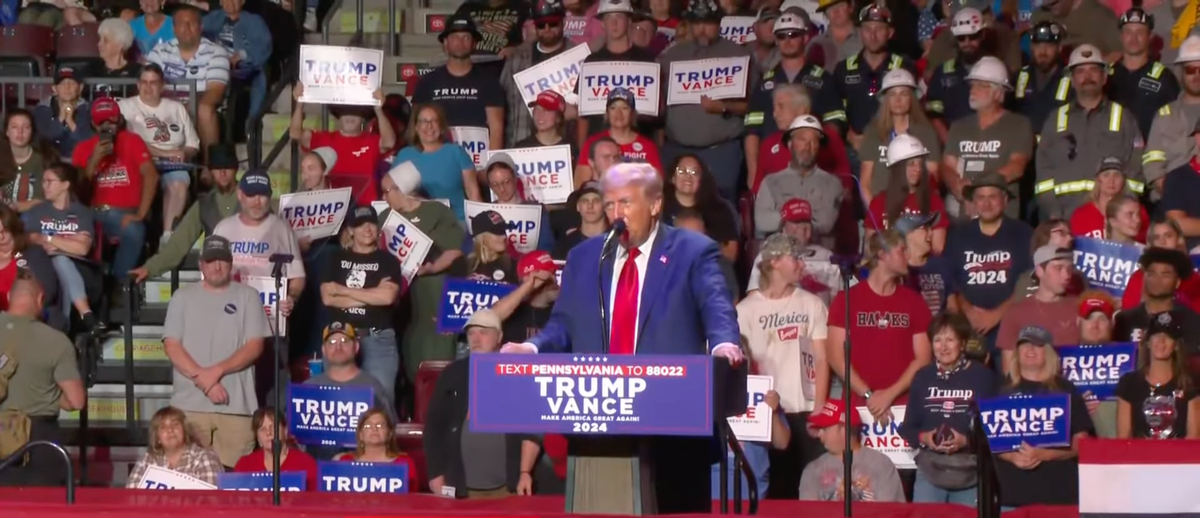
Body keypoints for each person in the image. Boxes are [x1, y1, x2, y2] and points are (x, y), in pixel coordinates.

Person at [500, 162, 743, 513]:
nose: (616, 214)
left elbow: (716, 307)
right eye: (610, 204)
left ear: (656, 204)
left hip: (672, 425)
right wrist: (532, 346)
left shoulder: (692, 251)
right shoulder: (586, 257)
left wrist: (723, 343)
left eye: (626, 203)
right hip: (600, 422)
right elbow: (564, 323)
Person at [162, 235, 270, 468]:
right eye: (210, 261)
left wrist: (216, 371)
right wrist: (207, 383)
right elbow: (172, 345)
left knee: (233, 482)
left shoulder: (248, 296)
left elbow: (255, 346)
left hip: (237, 406)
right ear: (201, 264)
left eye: (221, 260)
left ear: (231, 264)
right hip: (189, 406)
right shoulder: (182, 297)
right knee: (186, 477)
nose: (216, 266)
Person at [737, 232, 829, 498]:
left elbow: (822, 358)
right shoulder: (745, 311)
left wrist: (820, 407)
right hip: (767, 414)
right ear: (775, 262)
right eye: (795, 258)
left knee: (810, 492)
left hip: (805, 410)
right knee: (777, 493)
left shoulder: (811, 304)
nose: (802, 264)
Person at [425, 310, 542, 499]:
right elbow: (434, 427)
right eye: (471, 333)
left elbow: (533, 428)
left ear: (500, 336)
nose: (476, 339)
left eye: (484, 332)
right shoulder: (452, 374)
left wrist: (524, 472)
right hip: (461, 486)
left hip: (508, 487)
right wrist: (435, 473)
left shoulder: (518, 373)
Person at [827, 228, 933, 420]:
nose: (909, 255)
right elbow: (835, 356)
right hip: (859, 406)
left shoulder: (915, 302)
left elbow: (923, 358)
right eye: (902, 250)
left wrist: (889, 395)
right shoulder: (847, 299)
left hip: (904, 406)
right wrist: (869, 395)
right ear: (882, 254)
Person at [655, 0, 753, 202]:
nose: (702, 30)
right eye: (697, 23)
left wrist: (725, 107)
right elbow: (659, 106)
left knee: (721, 206)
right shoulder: (671, 57)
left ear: (719, 24)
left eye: (708, 23)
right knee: (674, 206)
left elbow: (756, 107)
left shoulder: (738, 55)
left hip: (721, 152)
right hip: (676, 149)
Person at [1035, 44, 1145, 220]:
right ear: (1071, 79)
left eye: (1094, 70)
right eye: (1080, 71)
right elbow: (1043, 172)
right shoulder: (1055, 119)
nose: (1087, 77)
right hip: (1064, 221)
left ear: (1104, 76)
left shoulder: (1124, 117)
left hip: (1110, 221)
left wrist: (1119, 211)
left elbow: (1136, 170)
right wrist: (1054, 214)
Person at [380, 162, 465, 382]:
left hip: (432, 295)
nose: (384, 198)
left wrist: (433, 268)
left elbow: (455, 249)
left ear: (402, 189)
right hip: (401, 300)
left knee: (437, 355)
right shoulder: (384, 218)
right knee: (408, 354)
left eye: (387, 192)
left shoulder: (436, 212)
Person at [993, 325, 1095, 508]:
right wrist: (1012, 457)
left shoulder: (1066, 390)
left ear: (1048, 352)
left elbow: (1082, 443)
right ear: (1017, 351)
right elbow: (989, 441)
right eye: (1024, 345)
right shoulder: (1000, 390)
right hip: (1012, 497)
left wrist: (1046, 454)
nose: (1030, 349)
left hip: (1059, 496)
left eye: (1037, 345)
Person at [901, 313, 994, 505]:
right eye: (937, 340)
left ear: (962, 343)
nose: (943, 347)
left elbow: (996, 431)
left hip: (970, 471)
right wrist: (925, 438)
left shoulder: (983, 377)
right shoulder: (922, 377)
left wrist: (967, 441)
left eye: (950, 339)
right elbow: (908, 428)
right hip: (930, 470)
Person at [0, 274, 83, 487]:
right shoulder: (56, 341)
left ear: (9, 296)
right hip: (38, 440)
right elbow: (76, 401)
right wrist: (51, 394)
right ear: (40, 299)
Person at [70, 96, 158, 294]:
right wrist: (93, 162)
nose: (107, 125)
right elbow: (76, 192)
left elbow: (151, 175)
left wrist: (141, 214)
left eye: (111, 119)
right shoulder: (83, 149)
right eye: (102, 121)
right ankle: (92, 287)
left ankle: (118, 286)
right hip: (91, 211)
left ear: (119, 120)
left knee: (135, 230)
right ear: (93, 123)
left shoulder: (132, 141)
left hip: (125, 212)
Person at [944, 172, 1033, 358]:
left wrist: (996, 315)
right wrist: (968, 312)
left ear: (1005, 200)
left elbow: (1029, 284)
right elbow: (951, 283)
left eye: (992, 197)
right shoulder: (958, 236)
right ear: (973, 202)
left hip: (1012, 329)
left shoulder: (1024, 234)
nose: (986, 203)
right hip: (969, 330)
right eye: (981, 198)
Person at [320, 207, 402, 397]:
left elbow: (387, 298)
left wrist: (342, 290)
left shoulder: (388, 261)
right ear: (350, 230)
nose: (366, 228)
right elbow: (327, 298)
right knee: (337, 399)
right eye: (359, 225)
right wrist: (373, 295)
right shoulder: (336, 258)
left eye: (371, 223)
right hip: (340, 338)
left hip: (379, 339)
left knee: (381, 398)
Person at [130, 144, 240, 282]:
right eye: (217, 168)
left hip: (249, 272)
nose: (222, 173)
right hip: (216, 276)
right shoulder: (204, 205)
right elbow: (178, 245)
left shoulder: (251, 198)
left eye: (227, 168)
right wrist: (149, 268)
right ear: (210, 171)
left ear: (235, 169)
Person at [941, 56, 1033, 219]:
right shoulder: (959, 126)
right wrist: (960, 190)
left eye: (981, 86)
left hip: (1004, 218)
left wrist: (974, 188)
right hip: (967, 218)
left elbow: (1016, 167)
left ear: (998, 93)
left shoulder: (1018, 124)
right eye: (972, 85)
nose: (973, 90)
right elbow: (948, 167)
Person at [119, 64, 200, 241]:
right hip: (139, 164)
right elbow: (128, 142)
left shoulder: (176, 108)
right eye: (144, 82)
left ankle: (167, 238)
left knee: (179, 182)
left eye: (154, 83)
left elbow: (193, 144)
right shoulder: (125, 107)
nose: (148, 87)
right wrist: (166, 153)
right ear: (138, 85)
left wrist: (183, 154)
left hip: (173, 165)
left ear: (162, 86)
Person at [22, 163, 98, 330]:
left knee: (60, 260)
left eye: (50, 181)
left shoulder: (81, 212)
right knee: (58, 262)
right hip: (44, 268)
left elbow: (82, 249)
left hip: (81, 270)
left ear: (65, 185)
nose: (44, 186)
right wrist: (68, 241)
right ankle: (85, 313)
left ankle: (63, 329)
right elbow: (30, 239)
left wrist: (48, 238)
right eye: (43, 181)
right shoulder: (37, 211)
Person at [291, 84, 394, 205]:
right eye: (344, 111)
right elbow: (295, 134)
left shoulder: (371, 141)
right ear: (338, 116)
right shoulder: (323, 139)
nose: (350, 116)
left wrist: (378, 110)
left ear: (363, 118)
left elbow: (389, 142)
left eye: (356, 112)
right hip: (331, 208)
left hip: (364, 209)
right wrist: (299, 104)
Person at [145, 5, 231, 151]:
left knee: (205, 109)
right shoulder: (159, 52)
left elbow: (215, 91)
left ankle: (209, 167)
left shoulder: (216, 52)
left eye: (191, 23)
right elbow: (148, 83)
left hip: (201, 104)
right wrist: (175, 105)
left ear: (201, 27)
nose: (186, 28)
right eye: (181, 24)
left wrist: (189, 105)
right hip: (164, 103)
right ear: (173, 29)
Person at [412, 14, 504, 148]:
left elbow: (496, 128)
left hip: (478, 163)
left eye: (466, 37)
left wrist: (491, 165)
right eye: (455, 37)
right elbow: (416, 126)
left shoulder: (489, 81)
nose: (460, 43)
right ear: (445, 42)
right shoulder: (427, 82)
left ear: (474, 43)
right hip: (438, 160)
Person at [755, 115, 844, 250]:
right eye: (802, 140)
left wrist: (789, 219)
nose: (807, 147)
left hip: (817, 253)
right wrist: (793, 219)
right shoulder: (770, 182)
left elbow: (826, 223)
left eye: (813, 142)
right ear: (790, 144)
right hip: (778, 254)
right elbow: (761, 221)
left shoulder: (832, 183)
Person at [500, 0, 581, 147]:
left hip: (566, 145)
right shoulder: (517, 58)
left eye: (553, 23)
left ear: (563, 22)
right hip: (521, 141)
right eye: (541, 25)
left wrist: (576, 112)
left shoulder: (580, 58)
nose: (547, 29)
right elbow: (501, 102)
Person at [858, 69, 941, 204]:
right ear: (885, 100)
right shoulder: (873, 132)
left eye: (904, 94)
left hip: (917, 209)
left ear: (912, 98)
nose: (898, 100)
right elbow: (865, 183)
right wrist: (876, 216)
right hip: (881, 209)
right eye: (892, 94)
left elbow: (933, 179)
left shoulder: (926, 133)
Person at [995, 245, 1082, 373]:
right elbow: (1009, 370)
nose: (1066, 276)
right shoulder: (1016, 313)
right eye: (1058, 268)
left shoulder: (1080, 308)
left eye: (1069, 269)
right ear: (1039, 271)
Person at [798, 399, 906, 502]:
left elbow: (889, 512)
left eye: (825, 428)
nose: (819, 434)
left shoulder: (880, 464)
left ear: (844, 428)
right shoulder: (812, 470)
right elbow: (808, 512)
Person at [1115, 312, 1200, 439]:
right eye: (1156, 335)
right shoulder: (1129, 383)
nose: (1161, 341)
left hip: (1179, 457)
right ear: (1148, 343)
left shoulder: (1189, 383)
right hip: (1138, 456)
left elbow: (1194, 438)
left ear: (1176, 346)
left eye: (1168, 336)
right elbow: (1123, 438)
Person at [389, 104, 479, 220]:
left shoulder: (456, 152)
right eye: (424, 121)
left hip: (455, 223)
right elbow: (392, 192)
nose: (429, 126)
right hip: (416, 224)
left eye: (434, 121)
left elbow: (473, 192)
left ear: (441, 126)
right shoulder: (404, 155)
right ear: (416, 127)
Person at [864, 134, 949, 253]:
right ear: (897, 168)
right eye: (911, 164)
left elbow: (938, 248)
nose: (918, 168)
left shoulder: (934, 201)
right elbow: (871, 249)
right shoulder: (879, 202)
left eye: (920, 163)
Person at [1106, 7, 1178, 139]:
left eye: (1140, 32)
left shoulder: (1165, 78)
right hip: (1111, 150)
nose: (1133, 38)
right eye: (1128, 32)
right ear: (1121, 36)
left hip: (1149, 153)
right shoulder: (1106, 76)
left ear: (1150, 36)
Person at [575, 88, 663, 188]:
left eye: (625, 108)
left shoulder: (647, 146)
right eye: (613, 108)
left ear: (632, 113)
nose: (618, 114)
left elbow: (657, 185)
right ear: (607, 113)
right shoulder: (593, 142)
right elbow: (580, 185)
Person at [202, 0, 273, 122]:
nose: (229, 2)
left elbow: (264, 46)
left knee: (259, 76)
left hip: (241, 67)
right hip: (213, 63)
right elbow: (195, 33)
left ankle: (251, 123)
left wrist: (242, 55)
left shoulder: (254, 21)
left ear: (243, 1)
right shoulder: (213, 18)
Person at [1112, 247, 1200, 344]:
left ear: (1177, 282)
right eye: (1152, 274)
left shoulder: (1191, 321)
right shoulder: (1124, 320)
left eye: (1165, 275)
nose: (1157, 280)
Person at [661, 155, 738, 261]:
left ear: (701, 179)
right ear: (672, 177)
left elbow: (730, 253)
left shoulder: (719, 210)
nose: (688, 176)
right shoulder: (659, 206)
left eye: (694, 172)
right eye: (682, 171)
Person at [126, 407, 224, 488]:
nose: (170, 430)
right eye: (163, 427)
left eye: (175, 424)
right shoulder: (147, 460)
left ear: (185, 431)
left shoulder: (204, 458)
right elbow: (132, 496)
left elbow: (211, 501)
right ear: (157, 438)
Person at [232, 407, 319, 491]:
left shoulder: (306, 463)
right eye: (262, 429)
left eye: (273, 427)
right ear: (258, 437)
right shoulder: (244, 465)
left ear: (285, 431)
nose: (268, 433)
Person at [484, 153, 556, 253]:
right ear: (490, 186)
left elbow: (546, 247)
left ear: (515, 178)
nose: (501, 189)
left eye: (506, 181)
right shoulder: (485, 214)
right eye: (495, 184)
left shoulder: (536, 210)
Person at [0, 206, 59, 320]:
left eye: (4, 231)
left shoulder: (32, 254)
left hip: (25, 320)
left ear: (13, 229)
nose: (1, 237)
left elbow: (48, 292)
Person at [1069, 157, 1148, 241]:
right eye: (1106, 175)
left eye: (1117, 175)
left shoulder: (1138, 212)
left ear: (1123, 180)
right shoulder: (1081, 215)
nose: (1111, 181)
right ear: (1098, 180)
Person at [334, 408, 415, 482]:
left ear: (389, 434)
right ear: (361, 435)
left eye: (380, 425)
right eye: (368, 425)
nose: (374, 429)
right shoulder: (346, 461)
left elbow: (413, 496)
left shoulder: (404, 463)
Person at [0, 109, 57, 212]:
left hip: (36, 218)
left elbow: (50, 198)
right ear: (7, 131)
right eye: (14, 127)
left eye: (26, 127)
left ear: (32, 131)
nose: (20, 132)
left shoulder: (44, 160)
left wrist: (19, 207)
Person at [32, 67, 93, 160]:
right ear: (54, 89)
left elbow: (89, 143)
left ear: (80, 88)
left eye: (71, 83)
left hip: (80, 161)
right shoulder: (43, 109)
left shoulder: (89, 109)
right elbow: (44, 139)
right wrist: (60, 119)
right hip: (50, 161)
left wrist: (71, 123)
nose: (67, 87)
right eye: (62, 83)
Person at [467, 210, 518, 282]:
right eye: (498, 232)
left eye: (504, 231)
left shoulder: (513, 266)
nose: (504, 236)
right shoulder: (465, 265)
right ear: (482, 238)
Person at [96, 18, 141, 90]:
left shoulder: (137, 72)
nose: (99, 44)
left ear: (120, 44)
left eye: (106, 40)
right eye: (99, 39)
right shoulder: (92, 69)